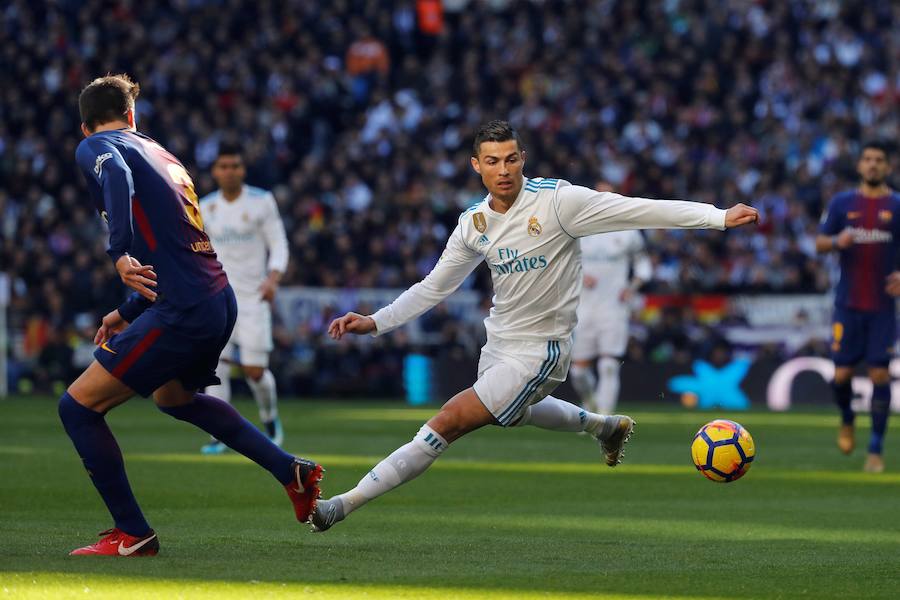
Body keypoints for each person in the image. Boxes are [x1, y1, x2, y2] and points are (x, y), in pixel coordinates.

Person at [311, 120, 758, 531]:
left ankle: (342, 505)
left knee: (447, 422)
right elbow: (434, 287)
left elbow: (637, 211)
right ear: (476, 166)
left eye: (510, 159)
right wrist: (375, 321)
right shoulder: (474, 224)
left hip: (542, 351)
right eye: (492, 161)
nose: (502, 169)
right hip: (499, 344)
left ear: (522, 158)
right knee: (515, 414)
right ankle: (604, 425)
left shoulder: (560, 202)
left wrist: (716, 217)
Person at [61, 74, 322, 557]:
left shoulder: (97, 146)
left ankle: (132, 533)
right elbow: (173, 248)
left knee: (77, 407)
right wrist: (128, 310)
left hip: (183, 308)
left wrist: (117, 252)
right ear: (132, 115)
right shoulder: (164, 156)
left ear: (85, 128)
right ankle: (290, 470)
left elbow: (113, 176)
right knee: (175, 398)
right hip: (215, 297)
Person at [198, 146, 289, 453]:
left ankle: (270, 418)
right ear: (215, 171)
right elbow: (199, 252)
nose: (230, 171)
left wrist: (273, 278)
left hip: (253, 298)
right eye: (223, 166)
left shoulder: (261, 202)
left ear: (243, 169)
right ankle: (218, 434)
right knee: (215, 368)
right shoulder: (205, 207)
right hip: (218, 297)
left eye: (235, 165)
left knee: (254, 371)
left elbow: (278, 243)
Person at [816, 141, 900, 473]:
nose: (873, 165)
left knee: (879, 372)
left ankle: (876, 449)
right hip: (847, 305)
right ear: (860, 166)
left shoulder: (896, 206)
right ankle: (847, 418)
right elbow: (820, 242)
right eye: (867, 159)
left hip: (882, 307)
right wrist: (837, 241)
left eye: (879, 160)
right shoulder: (841, 203)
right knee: (841, 375)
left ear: (888, 168)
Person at [569, 181, 653, 414]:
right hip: (583, 307)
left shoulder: (628, 231)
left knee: (608, 365)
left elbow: (643, 264)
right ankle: (589, 405)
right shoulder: (578, 227)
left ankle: (603, 420)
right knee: (578, 372)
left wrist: (632, 287)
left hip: (614, 307)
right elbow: (562, 261)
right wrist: (579, 274)